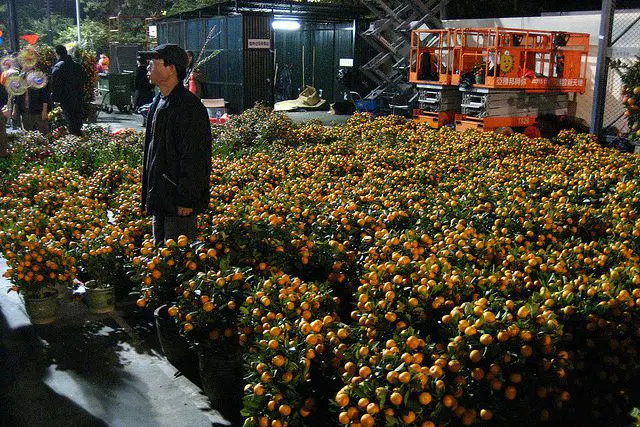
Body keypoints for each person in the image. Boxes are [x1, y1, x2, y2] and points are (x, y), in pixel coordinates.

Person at [138, 44, 212, 245]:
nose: (148, 67)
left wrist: (187, 198)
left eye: (153, 63)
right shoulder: (159, 101)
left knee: (177, 258)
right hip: (161, 195)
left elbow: (195, 157)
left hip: (178, 201)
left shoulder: (188, 107)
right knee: (160, 255)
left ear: (171, 68)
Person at [50, 45, 85, 136]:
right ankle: (79, 139)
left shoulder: (58, 67)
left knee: (68, 122)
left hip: (65, 99)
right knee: (77, 121)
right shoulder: (77, 66)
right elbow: (85, 80)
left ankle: (72, 141)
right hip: (78, 97)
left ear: (57, 54)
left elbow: (56, 85)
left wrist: (55, 99)